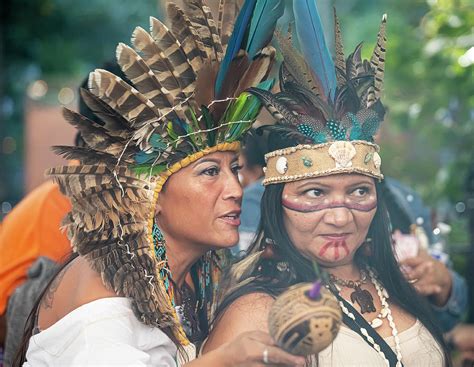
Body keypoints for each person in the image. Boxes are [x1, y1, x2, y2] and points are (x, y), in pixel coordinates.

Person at [14, 1, 305, 366]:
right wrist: (223, 360)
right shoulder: (106, 291)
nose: (235, 189)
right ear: (151, 194)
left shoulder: (192, 275)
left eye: (234, 168)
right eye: (210, 172)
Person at [204, 6, 450, 366]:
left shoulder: (395, 282)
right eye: (315, 192)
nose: (340, 217)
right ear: (277, 202)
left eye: (359, 191)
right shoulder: (257, 310)